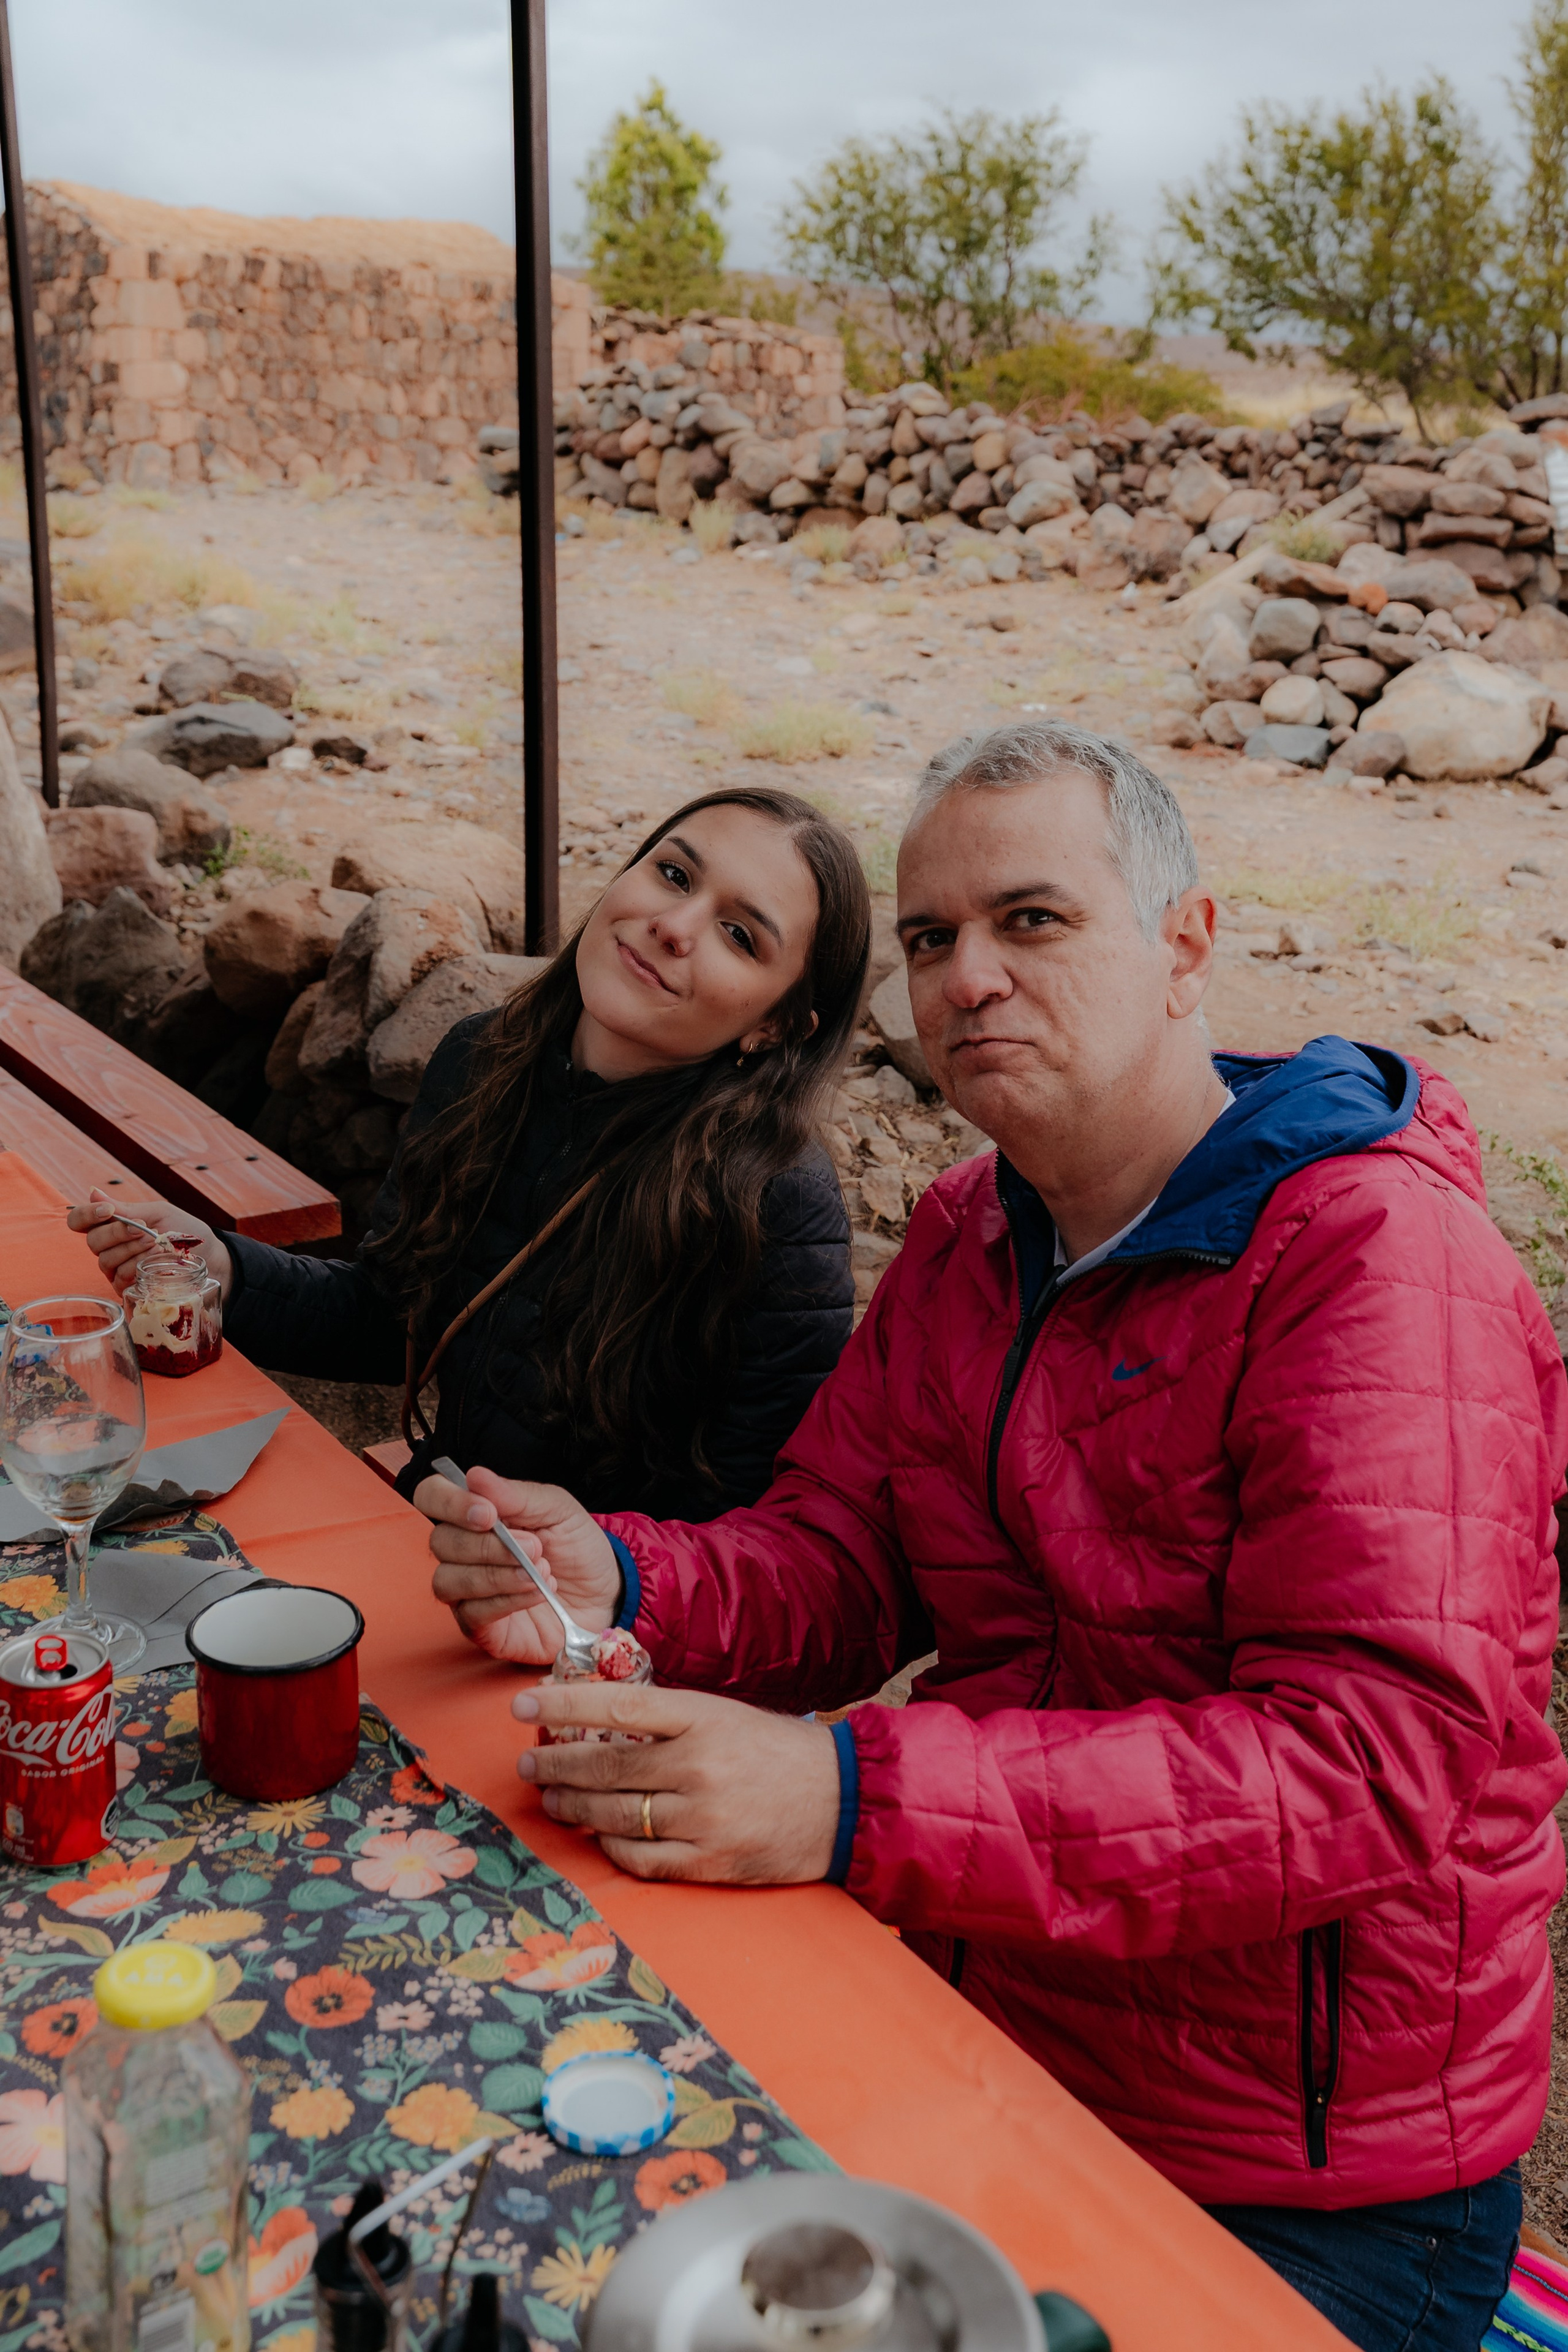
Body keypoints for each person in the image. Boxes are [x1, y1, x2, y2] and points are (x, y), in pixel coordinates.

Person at [421, 722, 1565, 2352]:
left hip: (1302, 2170)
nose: (968, 980)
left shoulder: (1378, 1264)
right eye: (934, 939)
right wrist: (630, 1574)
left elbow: (1368, 1765)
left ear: (1186, 945)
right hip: (1000, 2011)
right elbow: (843, 1550)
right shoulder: (973, 1231)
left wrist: (850, 1792)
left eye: (1032, 921)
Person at [72, 785, 870, 1519]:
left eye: (739, 934)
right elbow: (394, 1316)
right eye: (672, 874)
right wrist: (227, 1271)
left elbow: (754, 1530)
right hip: (443, 1535)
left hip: (598, 1629)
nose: (675, 925)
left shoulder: (776, 1201)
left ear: (777, 1026)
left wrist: (599, 1576)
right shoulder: (482, 1061)